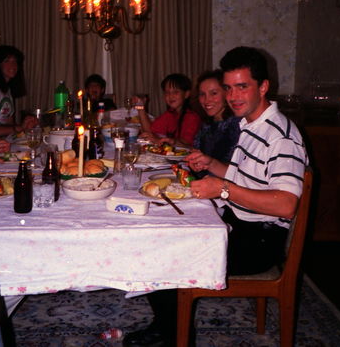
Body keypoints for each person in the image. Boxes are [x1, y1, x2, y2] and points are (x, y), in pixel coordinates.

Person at [123, 47, 308, 347]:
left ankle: (177, 336)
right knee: (158, 233)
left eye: (242, 87)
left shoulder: (281, 136)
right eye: (229, 88)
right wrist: (212, 165)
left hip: (260, 240)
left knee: (166, 253)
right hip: (238, 221)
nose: (233, 96)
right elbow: (242, 175)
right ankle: (168, 325)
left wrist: (222, 189)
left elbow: (286, 205)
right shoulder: (250, 124)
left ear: (263, 86)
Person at [192, 69, 241, 178]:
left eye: (214, 93)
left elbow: (241, 171)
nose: (206, 100)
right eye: (202, 94)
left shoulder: (238, 125)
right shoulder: (207, 124)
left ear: (226, 93)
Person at [135, 73, 202, 146]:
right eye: (167, 92)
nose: (170, 96)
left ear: (186, 94)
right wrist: (140, 107)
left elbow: (187, 144)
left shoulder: (192, 116)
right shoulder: (171, 113)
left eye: (175, 92)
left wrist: (161, 140)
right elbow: (150, 131)